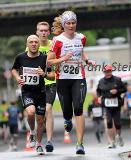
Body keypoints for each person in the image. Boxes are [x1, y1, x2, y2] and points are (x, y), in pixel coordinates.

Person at [47, 10, 95, 155]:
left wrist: (87, 60)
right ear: (63, 24)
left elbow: (81, 52)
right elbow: (49, 61)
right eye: (68, 23)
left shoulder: (82, 38)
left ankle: (80, 144)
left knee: (79, 108)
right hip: (62, 79)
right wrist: (63, 58)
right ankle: (67, 119)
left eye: (73, 23)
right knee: (67, 110)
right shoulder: (57, 40)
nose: (71, 25)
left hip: (78, 77)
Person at [11, 35, 55, 155]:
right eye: (31, 42)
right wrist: (17, 78)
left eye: (36, 42)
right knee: (30, 112)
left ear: (39, 44)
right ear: (27, 44)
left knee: (40, 120)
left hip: (41, 92)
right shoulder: (20, 57)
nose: (34, 44)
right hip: (27, 92)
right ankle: (32, 132)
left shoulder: (45, 58)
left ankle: (39, 145)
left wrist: (44, 74)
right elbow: (14, 69)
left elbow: (53, 75)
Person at [35, 21, 56, 152]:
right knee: (39, 115)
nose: (43, 33)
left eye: (45, 30)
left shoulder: (53, 45)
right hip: (37, 84)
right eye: (41, 30)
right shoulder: (32, 45)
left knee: (48, 109)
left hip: (50, 82)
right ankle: (38, 140)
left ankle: (49, 141)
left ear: (48, 32)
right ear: (37, 32)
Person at [96, 64, 126, 149]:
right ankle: (112, 141)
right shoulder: (101, 81)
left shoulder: (117, 79)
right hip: (107, 104)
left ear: (111, 71)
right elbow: (98, 91)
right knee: (109, 122)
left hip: (116, 103)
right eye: (106, 71)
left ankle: (118, 136)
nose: (107, 73)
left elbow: (124, 89)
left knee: (117, 123)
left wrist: (117, 91)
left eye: (109, 71)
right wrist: (99, 97)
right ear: (103, 72)